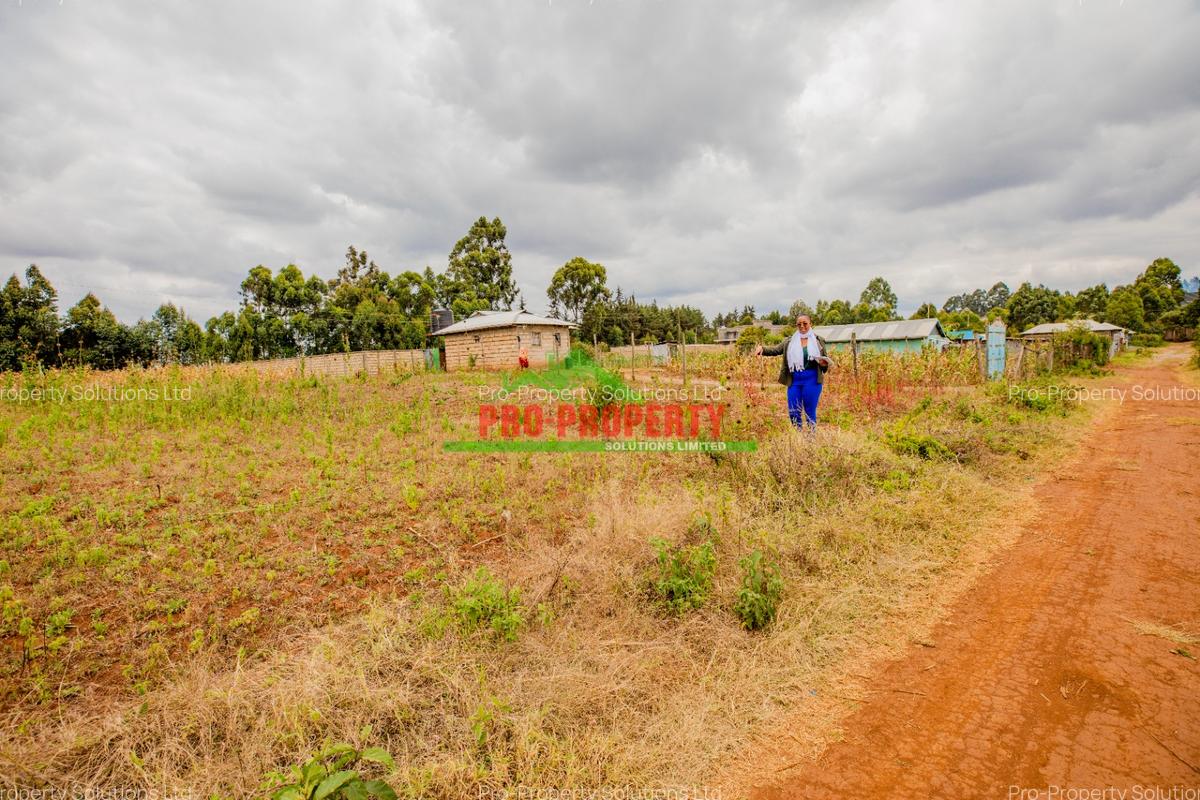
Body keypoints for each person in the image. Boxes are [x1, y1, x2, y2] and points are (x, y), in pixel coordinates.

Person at [754, 315, 832, 429]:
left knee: (809, 411)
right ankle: (798, 437)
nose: (802, 326)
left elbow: (825, 362)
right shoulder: (790, 341)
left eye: (805, 323)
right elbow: (776, 350)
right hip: (794, 380)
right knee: (793, 412)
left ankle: (811, 439)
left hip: (812, 380)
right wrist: (763, 349)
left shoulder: (818, 341)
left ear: (810, 324)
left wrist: (823, 364)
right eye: (799, 324)